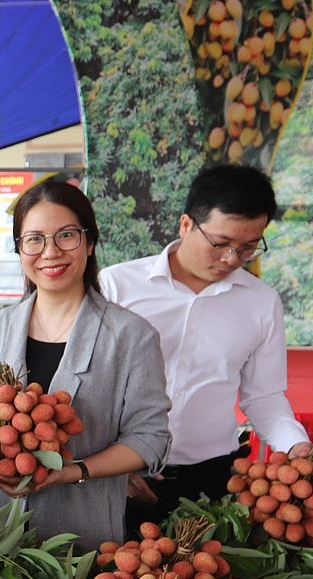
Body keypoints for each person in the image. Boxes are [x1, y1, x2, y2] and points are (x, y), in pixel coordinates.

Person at [0, 180, 171, 551]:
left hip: (85, 538)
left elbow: (150, 441)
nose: (50, 252)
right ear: (20, 250)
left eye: (66, 235)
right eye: (34, 239)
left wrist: (71, 472)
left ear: (89, 242)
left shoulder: (132, 336)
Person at [100, 163, 313, 538]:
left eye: (248, 247)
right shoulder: (118, 286)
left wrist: (295, 445)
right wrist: (110, 463)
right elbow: (90, 384)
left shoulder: (261, 303)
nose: (232, 259)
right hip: (121, 473)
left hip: (212, 478)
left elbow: (263, 395)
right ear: (186, 225)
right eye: (220, 243)